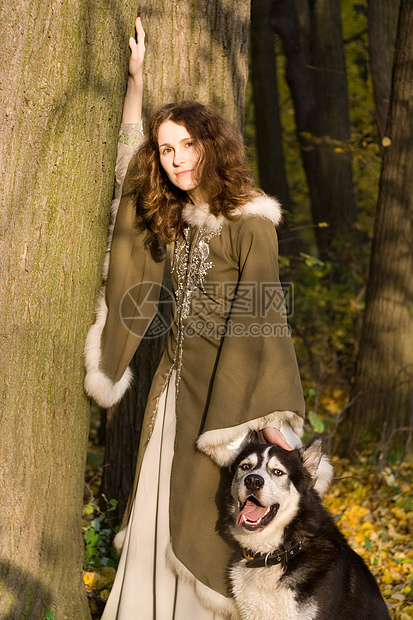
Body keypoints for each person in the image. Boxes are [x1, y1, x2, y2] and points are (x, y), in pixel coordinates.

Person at [84, 17, 306, 619]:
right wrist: (135, 83)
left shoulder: (251, 221)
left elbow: (264, 317)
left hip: (226, 405)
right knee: (159, 509)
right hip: (172, 391)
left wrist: (268, 418)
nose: (178, 160)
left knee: (204, 521)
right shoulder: (172, 216)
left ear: (212, 146)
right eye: (168, 149)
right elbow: (128, 164)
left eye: (189, 145)